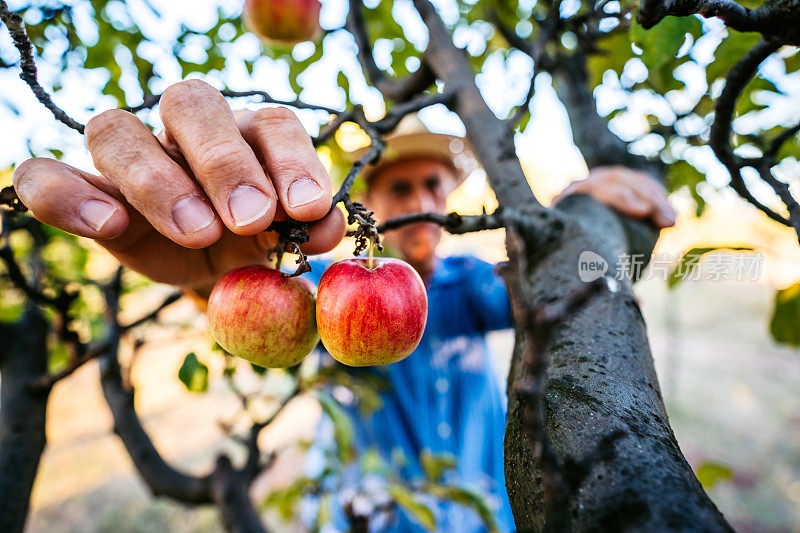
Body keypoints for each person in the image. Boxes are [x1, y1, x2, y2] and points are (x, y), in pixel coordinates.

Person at [12, 80, 675, 531]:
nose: (421, 196)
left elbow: (572, 282)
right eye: (402, 184)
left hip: (486, 514)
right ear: (373, 204)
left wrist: (599, 231)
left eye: (432, 183)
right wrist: (207, 261)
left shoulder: (469, 284)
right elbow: (266, 307)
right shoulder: (325, 286)